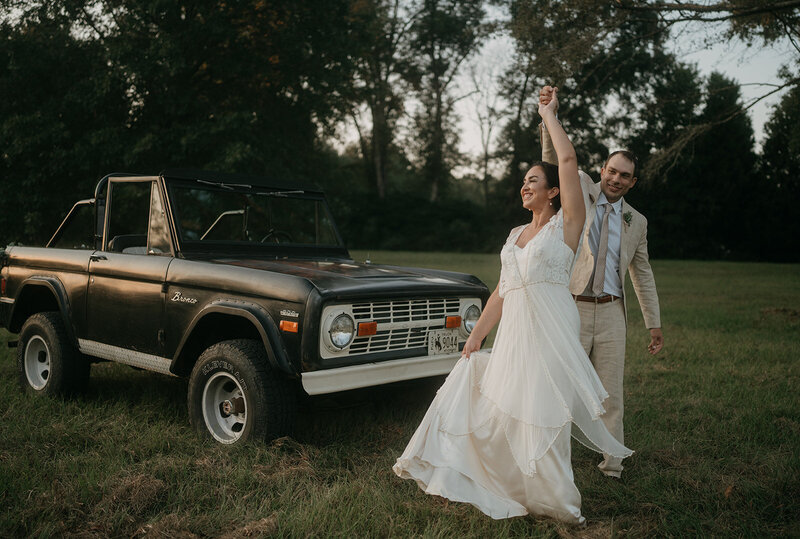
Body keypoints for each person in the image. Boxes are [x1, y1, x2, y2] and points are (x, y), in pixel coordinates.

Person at [393, 88, 632, 524]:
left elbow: (569, 162)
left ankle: (554, 500)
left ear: (554, 192)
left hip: (551, 332)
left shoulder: (569, 225)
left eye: (533, 181)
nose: (524, 185)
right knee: (501, 406)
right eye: (523, 181)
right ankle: (505, 481)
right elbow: (502, 291)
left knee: (542, 412)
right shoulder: (513, 235)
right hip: (513, 335)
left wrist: (548, 115)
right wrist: (476, 337)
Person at [539, 86, 663, 479]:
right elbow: (553, 158)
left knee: (610, 393)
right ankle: (550, 457)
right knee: (559, 385)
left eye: (624, 175)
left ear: (632, 182)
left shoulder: (637, 222)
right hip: (571, 305)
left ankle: (612, 465)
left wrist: (653, 322)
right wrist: (548, 115)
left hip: (611, 312)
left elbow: (641, 273)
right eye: (611, 171)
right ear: (603, 170)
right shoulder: (583, 190)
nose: (615, 179)